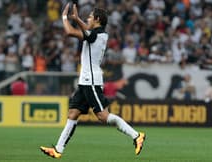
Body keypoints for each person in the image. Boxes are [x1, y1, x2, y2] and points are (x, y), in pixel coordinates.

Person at [40, 3, 146, 159]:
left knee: (103, 116)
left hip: (91, 81)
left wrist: (75, 18)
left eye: (89, 16)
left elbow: (78, 32)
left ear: (97, 19)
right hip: (85, 81)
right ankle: (58, 149)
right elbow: (69, 31)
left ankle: (136, 135)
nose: (87, 18)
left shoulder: (98, 34)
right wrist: (64, 17)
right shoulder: (94, 34)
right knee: (73, 113)